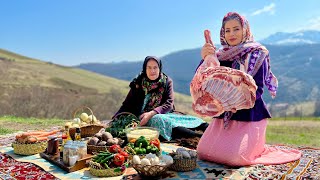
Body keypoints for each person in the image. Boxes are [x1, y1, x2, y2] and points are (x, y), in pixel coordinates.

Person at [195, 12, 301, 166]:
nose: (231, 34)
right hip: (224, 115)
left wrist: (234, 100)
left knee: (235, 158)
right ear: (222, 33)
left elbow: (257, 90)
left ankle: (255, 147)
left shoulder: (258, 53)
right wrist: (206, 58)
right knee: (204, 152)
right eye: (227, 30)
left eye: (236, 29)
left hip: (250, 114)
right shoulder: (219, 55)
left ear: (245, 29)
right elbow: (203, 80)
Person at [113, 56, 208, 141]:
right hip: (144, 119)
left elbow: (169, 103)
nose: (152, 71)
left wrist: (151, 113)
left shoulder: (166, 82)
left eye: (155, 67)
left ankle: (210, 131)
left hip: (165, 113)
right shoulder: (138, 83)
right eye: (149, 67)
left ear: (159, 68)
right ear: (144, 69)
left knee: (189, 120)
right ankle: (198, 137)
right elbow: (126, 104)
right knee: (158, 119)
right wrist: (114, 118)